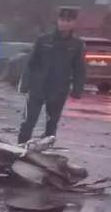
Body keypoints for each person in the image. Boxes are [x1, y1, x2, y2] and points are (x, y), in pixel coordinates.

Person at [17, 8, 85, 144]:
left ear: (74, 23)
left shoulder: (77, 45)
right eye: (62, 20)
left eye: (68, 20)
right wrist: (24, 84)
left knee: (52, 123)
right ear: (58, 20)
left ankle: (46, 151)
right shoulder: (43, 40)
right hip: (37, 88)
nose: (64, 23)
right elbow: (31, 63)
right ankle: (19, 148)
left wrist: (77, 89)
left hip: (59, 90)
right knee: (29, 121)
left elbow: (79, 69)